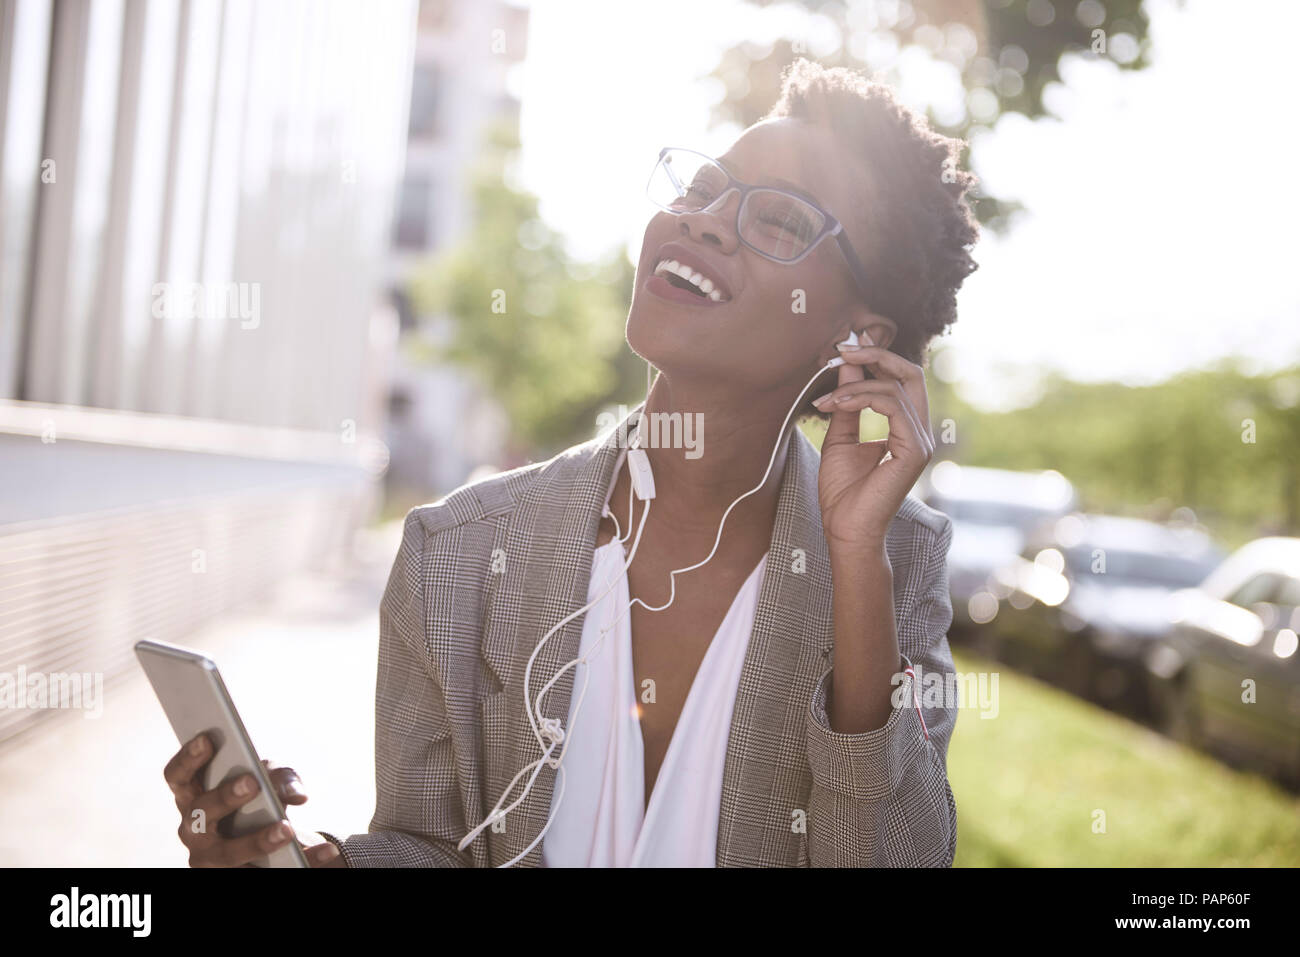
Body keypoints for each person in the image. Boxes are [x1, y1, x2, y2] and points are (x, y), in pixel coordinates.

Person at [163, 57, 979, 868]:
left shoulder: (894, 565)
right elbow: (429, 847)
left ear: (861, 341)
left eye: (782, 221)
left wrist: (854, 561)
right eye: (705, 189)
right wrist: (316, 863)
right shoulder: (454, 552)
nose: (704, 221)